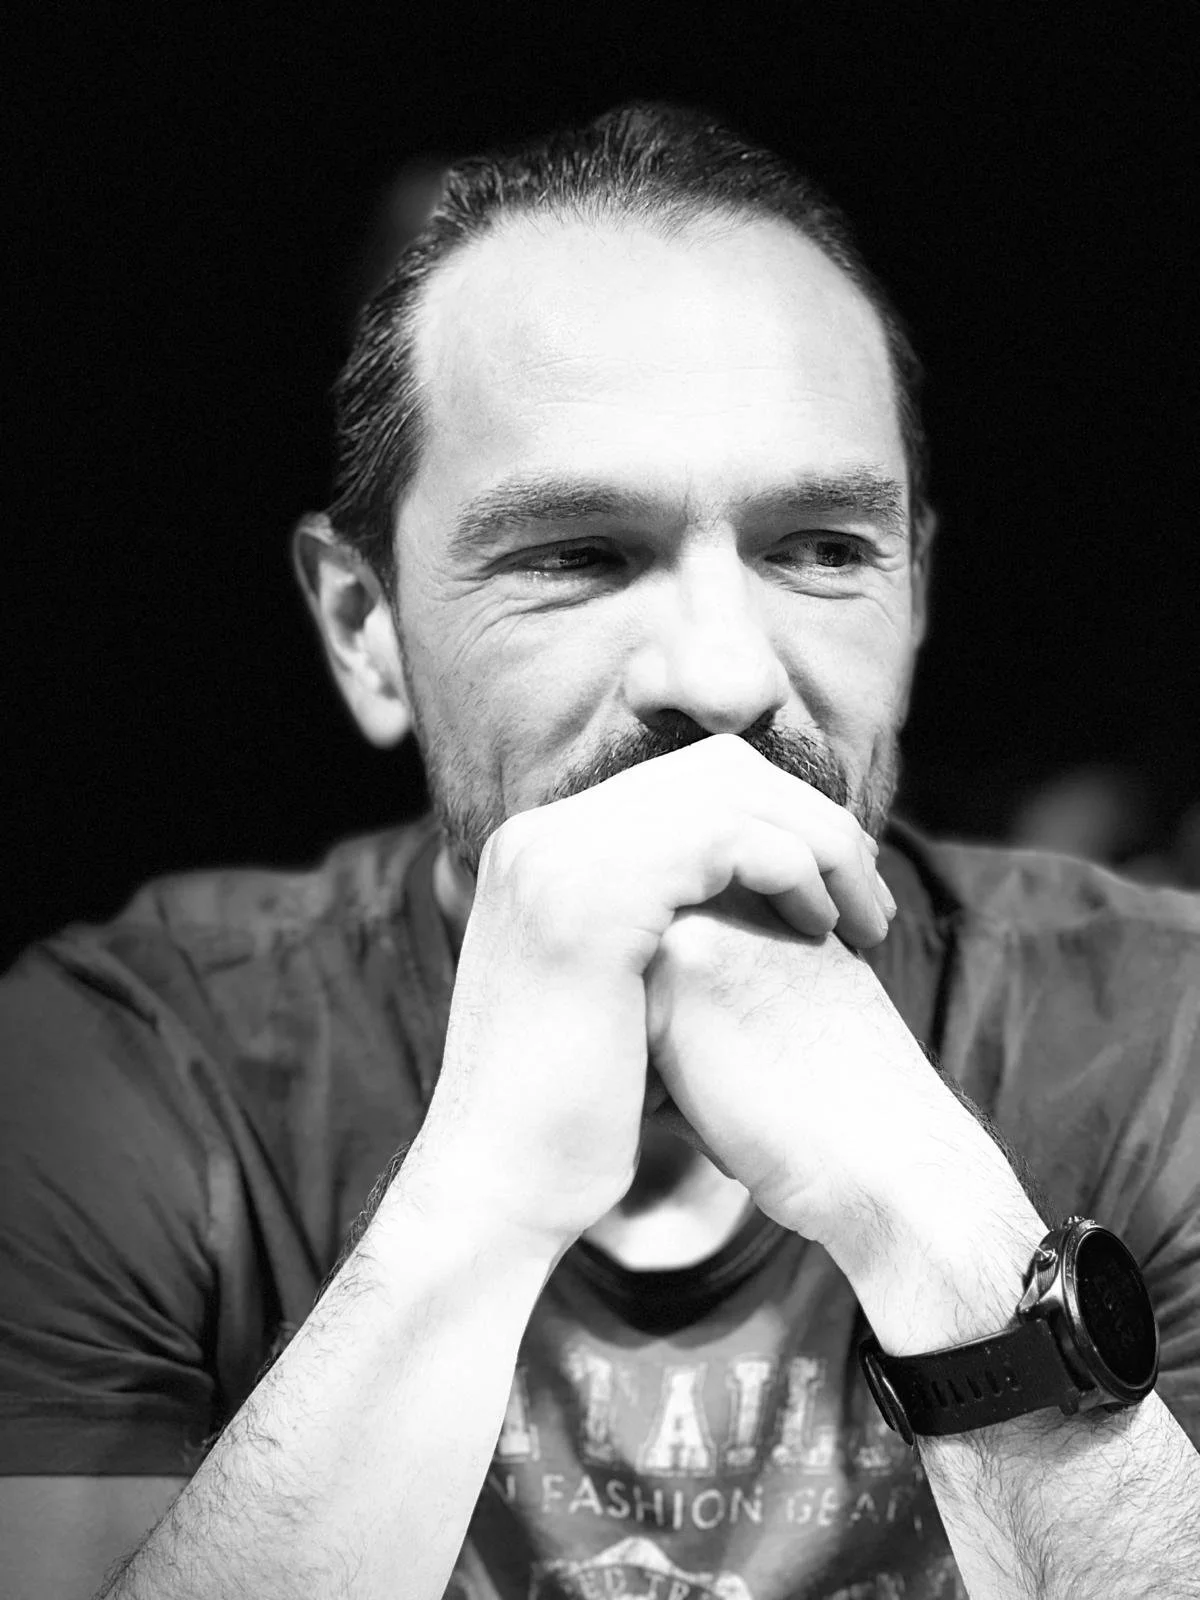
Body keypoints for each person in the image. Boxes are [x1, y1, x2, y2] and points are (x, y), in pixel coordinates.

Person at [1, 101, 1198, 1600]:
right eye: (576, 555)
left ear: (916, 595)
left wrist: (930, 1214)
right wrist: (480, 1200)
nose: (722, 673)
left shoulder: (1162, 1033)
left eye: (824, 548)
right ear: (365, 631)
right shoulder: (110, 1070)